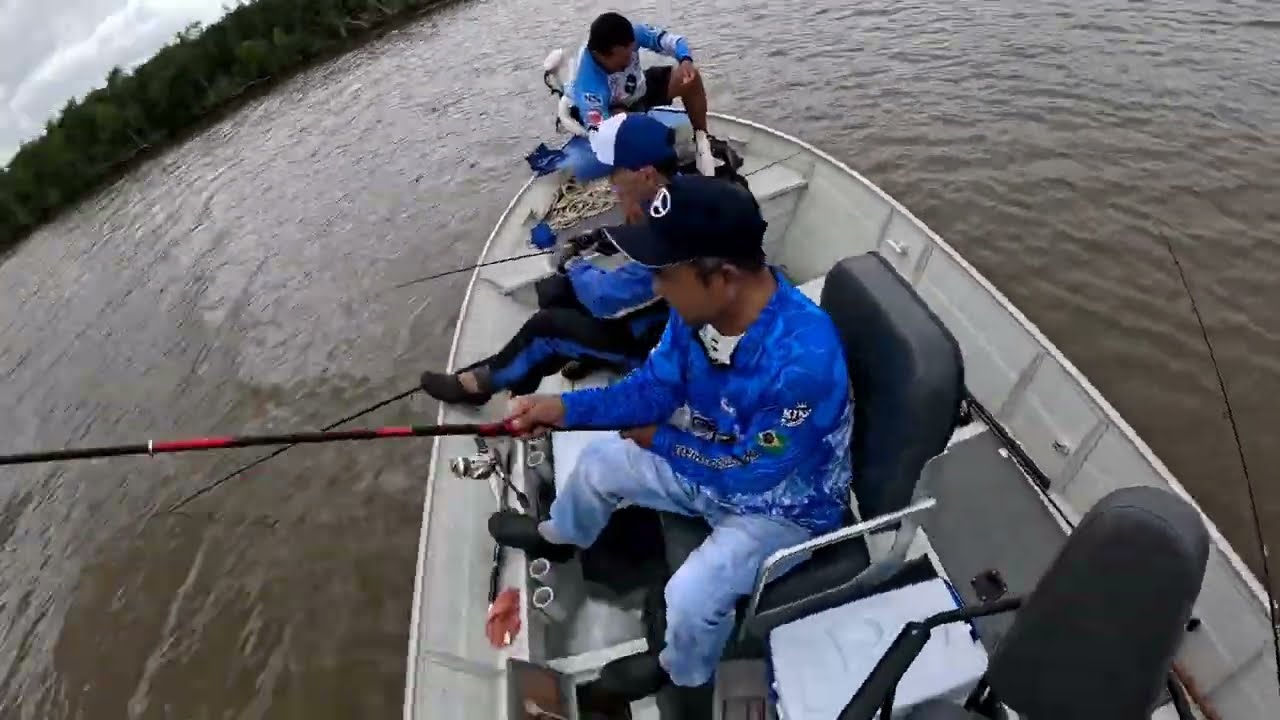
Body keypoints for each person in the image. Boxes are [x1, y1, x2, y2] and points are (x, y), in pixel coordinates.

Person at [488, 175, 855, 697]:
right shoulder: (696, 315)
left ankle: (682, 672)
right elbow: (653, 389)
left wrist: (660, 441)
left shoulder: (804, 364)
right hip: (708, 460)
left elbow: (754, 473)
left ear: (721, 276)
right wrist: (562, 408)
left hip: (783, 506)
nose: (655, 286)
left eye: (665, 273)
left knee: (691, 596)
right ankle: (562, 538)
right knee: (597, 464)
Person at [418, 113, 681, 405]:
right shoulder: (673, 198)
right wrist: (601, 239)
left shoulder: (669, 232)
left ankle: (479, 386)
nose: (611, 180)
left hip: (656, 346)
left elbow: (606, 298)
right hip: (652, 318)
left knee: (546, 327)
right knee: (556, 290)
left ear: (645, 174)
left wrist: (573, 265)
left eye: (616, 171)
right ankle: (530, 368)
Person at [568, 11, 718, 176]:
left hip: (638, 90)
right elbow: (600, 135)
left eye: (630, 55)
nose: (628, 63)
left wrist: (685, 59)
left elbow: (674, 41)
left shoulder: (633, 33)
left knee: (690, 76)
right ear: (600, 56)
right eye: (622, 59)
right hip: (613, 107)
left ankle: (702, 139)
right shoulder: (590, 89)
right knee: (636, 136)